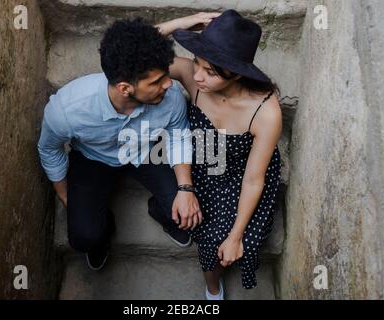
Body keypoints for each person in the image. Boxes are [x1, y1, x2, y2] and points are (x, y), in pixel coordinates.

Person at [37, 18, 202, 272]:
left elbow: (179, 135)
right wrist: (65, 195)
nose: (168, 84)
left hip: (147, 151)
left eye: (166, 75)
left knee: (188, 213)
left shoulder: (170, 98)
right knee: (84, 237)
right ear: (125, 88)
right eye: (157, 81)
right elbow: (49, 149)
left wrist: (185, 189)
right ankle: (103, 228)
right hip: (93, 158)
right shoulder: (67, 110)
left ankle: (161, 211)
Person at [156, 10, 282, 299]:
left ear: (236, 73)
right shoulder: (191, 74)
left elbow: (253, 180)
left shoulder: (265, 110)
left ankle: (213, 288)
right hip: (201, 161)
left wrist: (236, 236)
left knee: (233, 239)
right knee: (188, 217)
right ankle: (211, 282)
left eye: (210, 71)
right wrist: (179, 24)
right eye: (198, 63)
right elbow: (133, 51)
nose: (197, 75)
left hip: (242, 172)